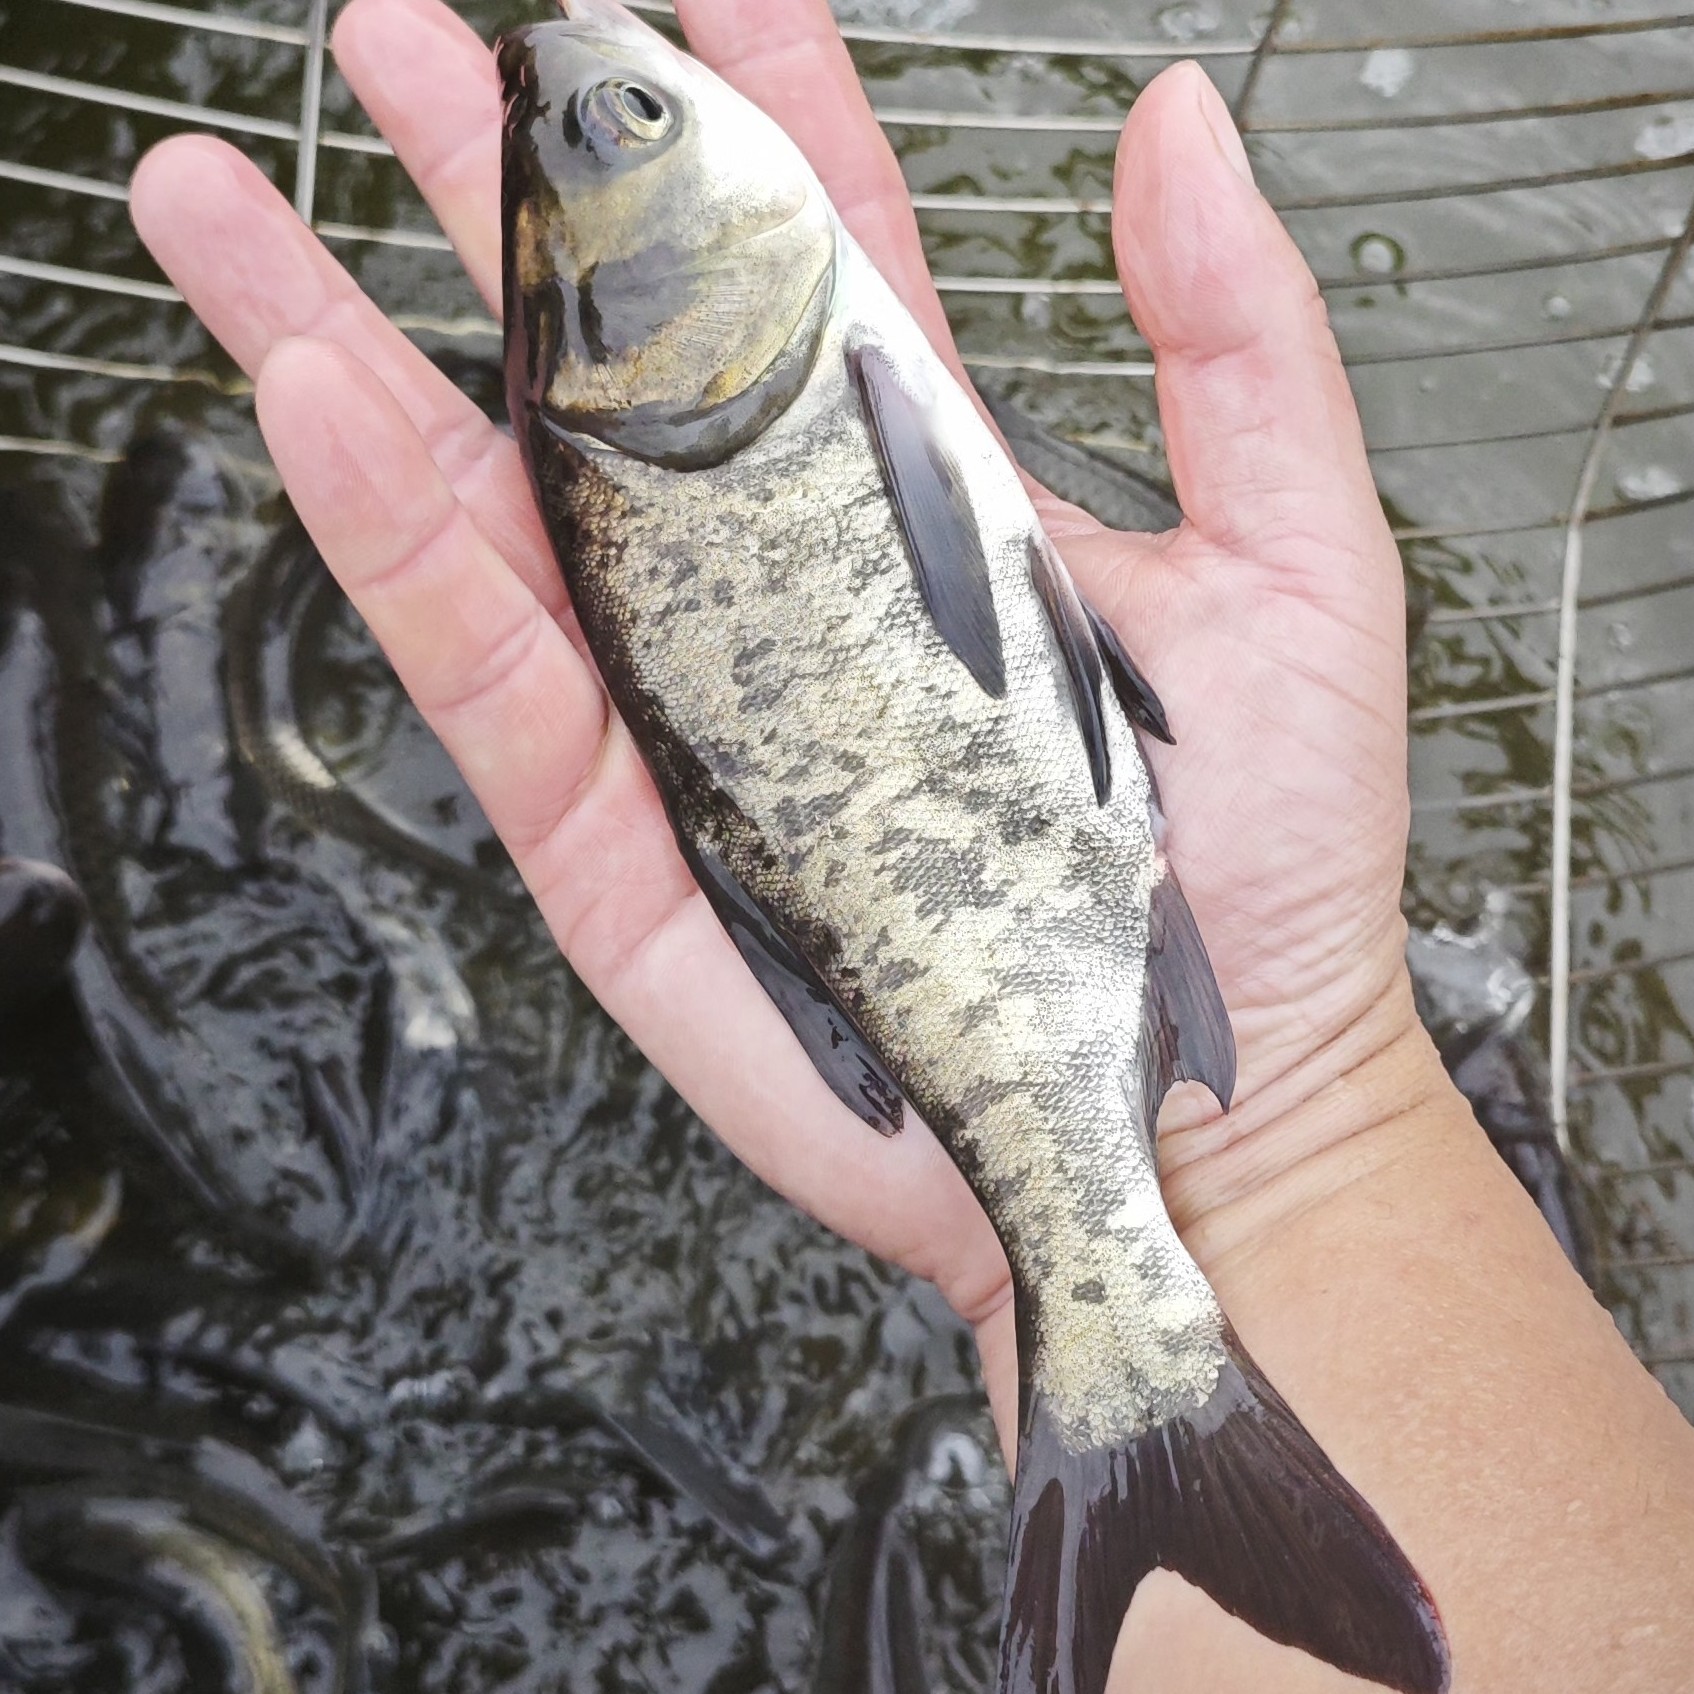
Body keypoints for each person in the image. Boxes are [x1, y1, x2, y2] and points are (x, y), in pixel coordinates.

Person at [128, 0, 1694, 1685]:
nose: (638, 90)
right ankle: (1136, 1393)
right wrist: (1303, 1123)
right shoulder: (809, 352)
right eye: (637, 132)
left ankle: (1126, 1398)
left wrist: (1296, 1126)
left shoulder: (704, 381)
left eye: (630, 119)